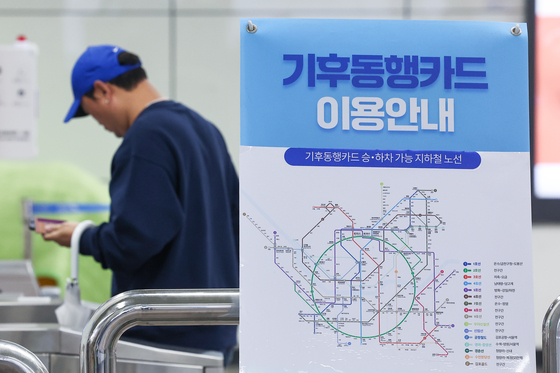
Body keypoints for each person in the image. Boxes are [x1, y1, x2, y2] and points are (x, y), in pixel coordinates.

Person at [43, 45, 239, 364]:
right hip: (217, 328)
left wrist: (82, 237)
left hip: (162, 335)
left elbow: (134, 240)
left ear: (103, 90)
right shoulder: (205, 130)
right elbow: (235, 225)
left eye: (92, 114)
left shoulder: (145, 138)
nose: (102, 125)